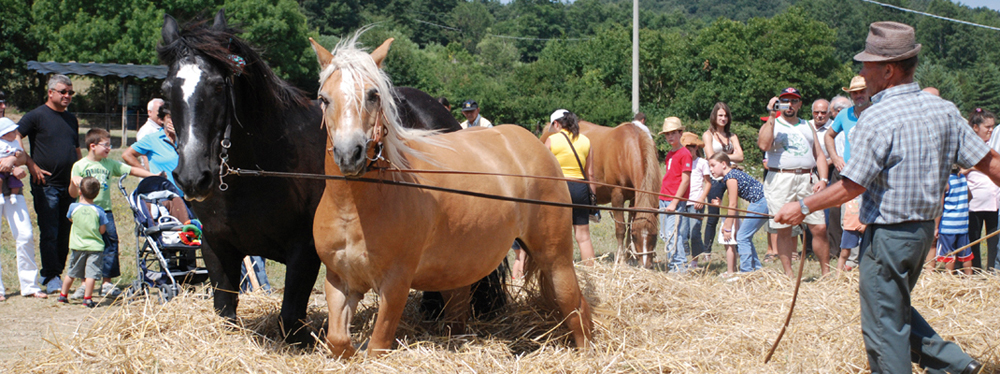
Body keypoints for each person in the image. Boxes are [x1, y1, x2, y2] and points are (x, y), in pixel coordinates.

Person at [774, 21, 992, 374]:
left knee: (882, 328)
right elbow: (990, 163)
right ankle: (958, 365)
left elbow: (852, 185)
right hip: (922, 235)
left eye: (867, 66)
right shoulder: (945, 110)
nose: (861, 72)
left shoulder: (877, 117)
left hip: (889, 236)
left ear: (888, 70)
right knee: (892, 310)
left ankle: (952, 366)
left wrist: (802, 206)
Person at [70, 128, 158, 298]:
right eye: (106, 145)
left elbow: (131, 170)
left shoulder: (109, 164)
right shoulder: (79, 165)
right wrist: (74, 184)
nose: (109, 148)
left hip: (105, 212)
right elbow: (73, 194)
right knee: (84, 246)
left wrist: (152, 175)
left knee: (110, 245)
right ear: (93, 146)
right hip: (85, 213)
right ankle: (83, 284)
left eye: (110, 145)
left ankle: (106, 283)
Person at [17, 74, 81, 293]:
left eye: (70, 92)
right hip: (46, 185)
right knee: (50, 231)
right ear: (50, 92)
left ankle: (57, 272)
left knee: (65, 231)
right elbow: (14, 136)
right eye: (63, 92)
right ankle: (50, 275)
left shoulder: (71, 119)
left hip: (70, 185)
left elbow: (76, 149)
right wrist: (29, 163)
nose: (67, 96)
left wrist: (81, 174)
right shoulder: (35, 116)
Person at [757, 87, 831, 277]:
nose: (789, 105)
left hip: (807, 178)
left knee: (819, 226)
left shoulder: (807, 125)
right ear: (779, 103)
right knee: (783, 228)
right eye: (785, 100)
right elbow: (763, 145)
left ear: (800, 104)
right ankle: (789, 275)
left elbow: (819, 154)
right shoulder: (773, 123)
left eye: (794, 101)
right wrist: (772, 115)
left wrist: (823, 179)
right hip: (781, 178)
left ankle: (826, 274)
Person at [825, 77, 872, 271]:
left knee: (872, 221)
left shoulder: (877, 111)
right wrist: (835, 158)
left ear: (868, 91)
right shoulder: (844, 114)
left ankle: (870, 263)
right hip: (851, 176)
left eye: (862, 91)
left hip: (874, 176)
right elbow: (829, 135)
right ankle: (850, 266)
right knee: (850, 220)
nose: (858, 95)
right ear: (850, 95)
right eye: (855, 92)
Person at [0, 116, 46, 300]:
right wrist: (10, 166)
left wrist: (12, 160)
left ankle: (29, 285)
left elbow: (22, 155)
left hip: (13, 194)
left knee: (25, 235)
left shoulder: (12, 136)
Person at [543, 109, 596, 266]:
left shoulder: (552, 141)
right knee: (583, 236)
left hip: (560, 189)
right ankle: (593, 271)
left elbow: (544, 170)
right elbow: (591, 174)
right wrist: (592, 199)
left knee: (558, 234)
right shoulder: (586, 141)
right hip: (580, 188)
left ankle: (562, 269)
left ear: (557, 124)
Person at [709, 152, 767, 276]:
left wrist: (728, 227)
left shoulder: (730, 177)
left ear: (723, 164)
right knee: (745, 236)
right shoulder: (731, 176)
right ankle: (757, 271)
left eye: (713, 165)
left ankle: (746, 273)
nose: (711, 169)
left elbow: (733, 204)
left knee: (742, 237)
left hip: (760, 202)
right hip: (761, 202)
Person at [57, 176, 107, 308]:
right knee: (91, 274)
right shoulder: (99, 211)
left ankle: (63, 296)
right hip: (95, 247)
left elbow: (70, 219)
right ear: (96, 194)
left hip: (77, 246)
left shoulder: (73, 207)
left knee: (71, 272)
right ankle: (87, 298)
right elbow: (102, 230)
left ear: (80, 191)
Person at [701, 102, 744, 254]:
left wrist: (723, 159)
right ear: (714, 116)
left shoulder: (732, 136)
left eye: (725, 115)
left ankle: (737, 247)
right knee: (713, 215)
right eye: (720, 115)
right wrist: (730, 159)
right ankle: (707, 251)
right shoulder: (708, 135)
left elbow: (741, 155)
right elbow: (710, 156)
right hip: (715, 179)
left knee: (733, 211)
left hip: (731, 177)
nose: (723, 118)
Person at [658, 117, 692, 272]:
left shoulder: (685, 154)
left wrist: (674, 202)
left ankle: (679, 267)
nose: (670, 137)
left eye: (673, 133)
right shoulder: (669, 154)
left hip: (674, 200)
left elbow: (685, 181)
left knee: (673, 234)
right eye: (667, 134)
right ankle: (675, 263)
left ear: (680, 133)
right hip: (663, 197)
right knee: (665, 235)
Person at [122, 105, 182, 191]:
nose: (173, 121)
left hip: (187, 194)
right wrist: (148, 175)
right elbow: (127, 155)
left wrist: (178, 136)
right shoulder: (152, 139)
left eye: (177, 117)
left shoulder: (187, 141)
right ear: (162, 120)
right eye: (169, 117)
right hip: (163, 193)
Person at [932, 167, 973, 275]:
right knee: (965, 254)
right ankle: (969, 278)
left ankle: (949, 278)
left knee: (949, 255)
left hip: (948, 225)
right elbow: (970, 196)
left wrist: (936, 227)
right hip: (962, 224)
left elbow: (939, 207)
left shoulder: (945, 181)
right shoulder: (963, 178)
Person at [684, 132, 710, 268]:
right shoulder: (682, 162)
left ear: (696, 148)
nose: (690, 149)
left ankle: (694, 261)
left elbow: (708, 183)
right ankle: (685, 257)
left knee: (694, 232)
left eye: (692, 146)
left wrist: (702, 199)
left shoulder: (702, 163)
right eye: (687, 147)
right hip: (683, 202)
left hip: (696, 202)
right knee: (683, 232)